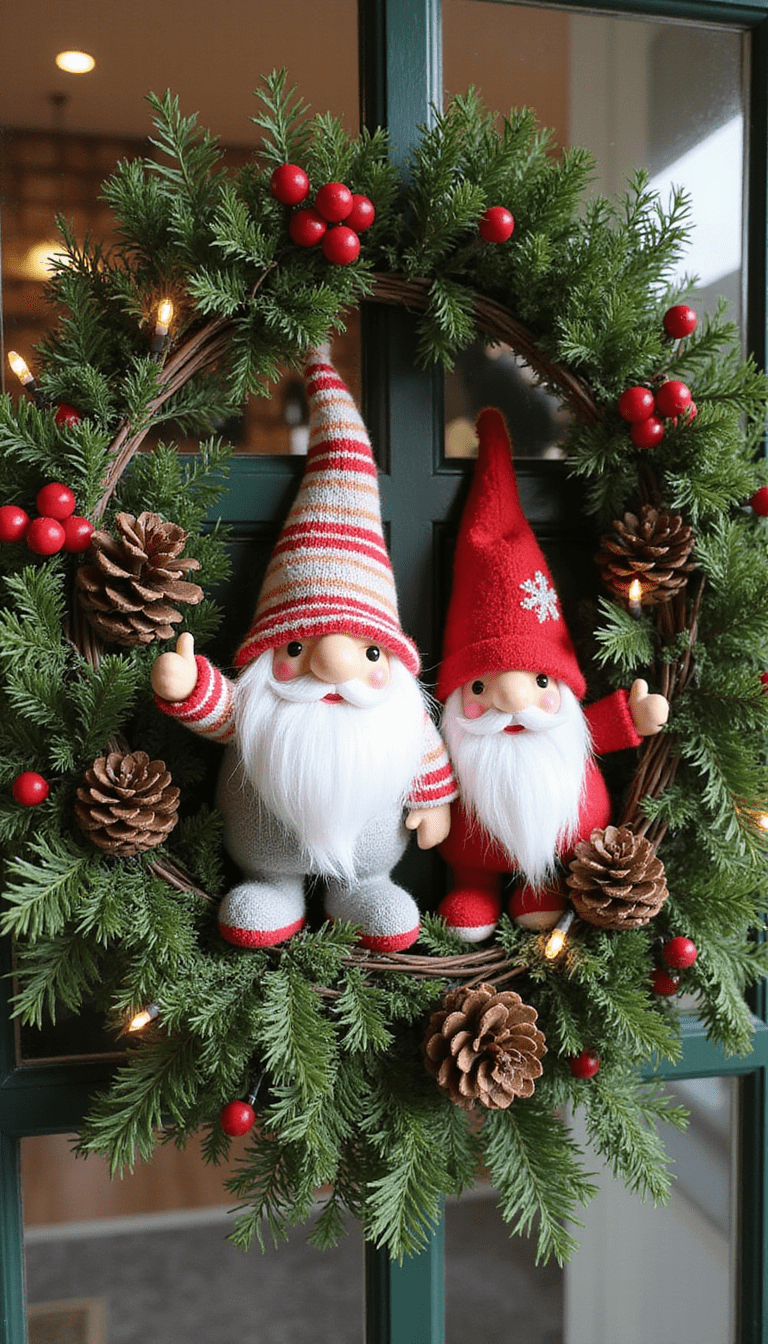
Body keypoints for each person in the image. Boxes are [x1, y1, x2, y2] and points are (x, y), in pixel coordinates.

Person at [152, 349, 456, 951]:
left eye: (369, 653)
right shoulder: (261, 702)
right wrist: (188, 686)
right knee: (262, 888)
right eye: (298, 644)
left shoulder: (399, 714)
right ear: (270, 650)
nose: (332, 668)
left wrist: (436, 804)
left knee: (376, 889)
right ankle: (273, 886)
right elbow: (223, 709)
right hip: (264, 851)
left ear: (391, 657)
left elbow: (426, 758)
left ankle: (362, 886)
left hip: (370, 855)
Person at [436, 406, 668, 942]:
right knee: (471, 882)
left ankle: (541, 885)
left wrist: (633, 716)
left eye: (541, 682)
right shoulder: (453, 743)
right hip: (473, 848)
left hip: (565, 843)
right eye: (480, 687)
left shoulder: (571, 728)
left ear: (561, 684)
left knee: (545, 883)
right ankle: (474, 887)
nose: (512, 702)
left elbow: (602, 728)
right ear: (454, 696)